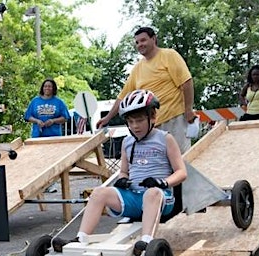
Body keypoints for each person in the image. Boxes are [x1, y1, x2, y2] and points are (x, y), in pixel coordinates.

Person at [53, 90, 187, 255]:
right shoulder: (127, 142)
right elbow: (123, 171)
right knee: (99, 193)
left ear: (153, 117)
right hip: (134, 198)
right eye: (130, 122)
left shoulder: (165, 139)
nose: (135, 126)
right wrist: (122, 180)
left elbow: (181, 172)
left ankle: (145, 241)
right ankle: (81, 239)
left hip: (160, 199)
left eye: (139, 120)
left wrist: (163, 182)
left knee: (151, 193)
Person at [96, 26, 195, 154]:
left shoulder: (169, 55)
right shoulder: (138, 68)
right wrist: (107, 118)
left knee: (181, 160)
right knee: (158, 164)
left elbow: (186, 82)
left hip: (173, 119)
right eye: (137, 42)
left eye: (143, 40)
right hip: (151, 124)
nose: (140, 45)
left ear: (153, 39)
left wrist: (188, 110)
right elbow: (123, 96)